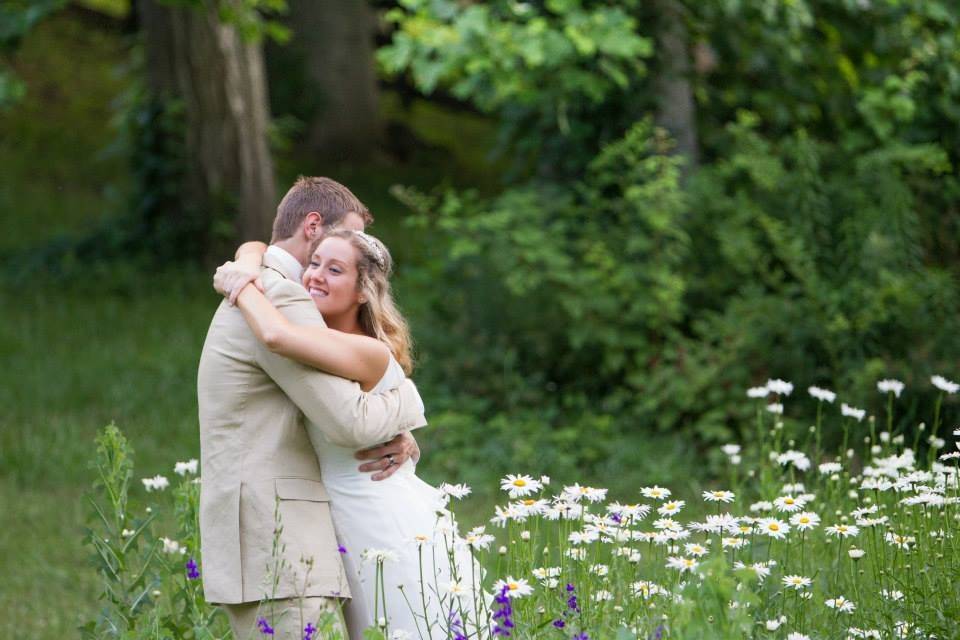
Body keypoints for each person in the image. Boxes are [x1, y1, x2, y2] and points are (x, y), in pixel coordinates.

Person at [214, 229, 484, 639]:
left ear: (362, 291)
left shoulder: (366, 350)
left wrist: (241, 284)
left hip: (375, 521)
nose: (316, 275)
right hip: (333, 525)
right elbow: (259, 247)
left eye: (335, 269)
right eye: (315, 263)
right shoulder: (319, 339)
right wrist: (247, 257)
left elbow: (275, 336)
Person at [197, 176, 427, 640]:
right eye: (345, 235)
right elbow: (350, 421)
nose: (347, 249)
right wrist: (406, 399)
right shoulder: (278, 294)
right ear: (313, 225)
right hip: (276, 536)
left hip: (281, 535)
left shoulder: (263, 282)